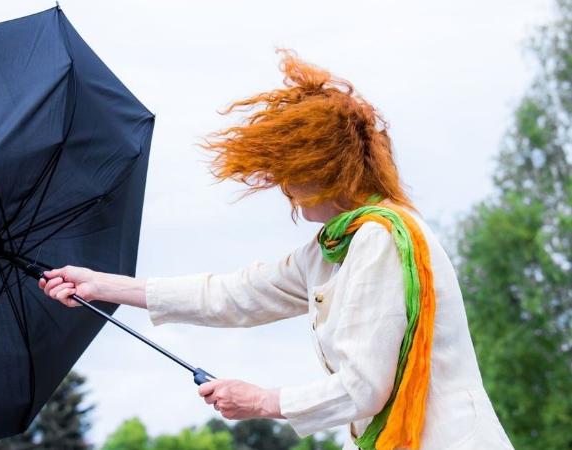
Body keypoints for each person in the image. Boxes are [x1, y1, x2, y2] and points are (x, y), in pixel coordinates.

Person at [37, 49, 513, 450]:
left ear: (322, 168)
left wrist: (261, 401)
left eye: (288, 171)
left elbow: (363, 388)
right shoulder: (334, 248)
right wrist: (103, 286)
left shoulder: (379, 240)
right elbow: (233, 294)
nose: (283, 186)